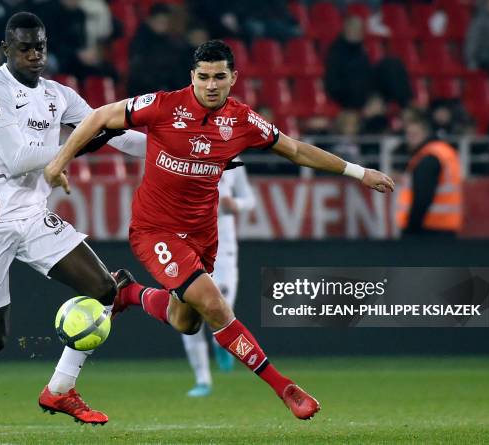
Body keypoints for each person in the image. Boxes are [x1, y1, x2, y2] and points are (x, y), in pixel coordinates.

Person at [45, 40, 395, 420]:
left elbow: (294, 150)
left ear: (233, 79)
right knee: (214, 305)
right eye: (204, 77)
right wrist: (60, 162)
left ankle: (129, 293)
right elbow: (99, 117)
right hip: (155, 230)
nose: (211, 85)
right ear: (192, 77)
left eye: (219, 77)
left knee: (186, 321)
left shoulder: (242, 121)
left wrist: (360, 173)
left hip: (202, 234)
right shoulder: (162, 106)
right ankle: (285, 388)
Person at [0, 12, 147, 427]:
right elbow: (16, 158)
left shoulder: (57, 95)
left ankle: (60, 390)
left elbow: (115, 133)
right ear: (7, 49)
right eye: (24, 47)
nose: (33, 54)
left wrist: (183, 152)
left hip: (30, 214)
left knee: (103, 289)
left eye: (39, 47)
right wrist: (81, 143)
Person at [181, 160, 255, 397]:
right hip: (188, 245)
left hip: (223, 248)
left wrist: (237, 204)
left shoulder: (233, 158)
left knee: (220, 308)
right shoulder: (185, 157)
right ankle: (202, 379)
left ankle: (218, 341)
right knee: (188, 311)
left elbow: (250, 199)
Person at [396, 114, 463, 238]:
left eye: (414, 134)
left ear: (425, 133)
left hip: (428, 229)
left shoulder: (428, 158)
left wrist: (411, 229)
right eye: (408, 134)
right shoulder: (445, 152)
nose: (410, 139)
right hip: (447, 227)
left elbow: (422, 198)